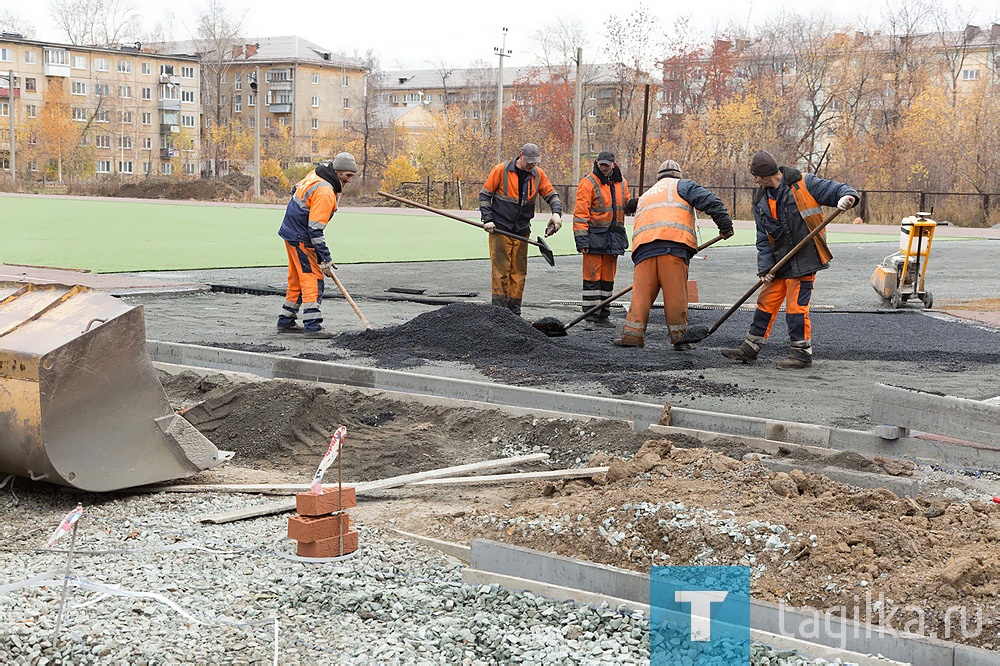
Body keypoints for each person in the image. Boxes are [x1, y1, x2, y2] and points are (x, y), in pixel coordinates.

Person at [722, 150, 858, 369]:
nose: (755, 180)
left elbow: (841, 190)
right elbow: (762, 238)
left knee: (796, 307)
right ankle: (750, 348)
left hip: (805, 257)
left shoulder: (804, 183)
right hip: (779, 260)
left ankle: (801, 354)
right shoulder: (760, 200)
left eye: (757, 175)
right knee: (766, 301)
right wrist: (765, 269)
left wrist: (847, 198)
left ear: (766, 174)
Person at [613, 160, 734, 350]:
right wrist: (725, 226)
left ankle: (632, 337)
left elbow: (629, 206)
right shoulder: (683, 186)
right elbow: (712, 202)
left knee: (641, 296)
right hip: (673, 247)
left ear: (659, 177)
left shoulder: (647, 195)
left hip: (643, 249)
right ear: (679, 175)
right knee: (675, 296)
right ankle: (680, 339)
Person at [276, 152, 358, 339]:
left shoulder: (316, 175)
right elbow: (315, 230)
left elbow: (295, 189)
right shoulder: (325, 191)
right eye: (348, 175)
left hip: (291, 232)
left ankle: (286, 320)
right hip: (301, 236)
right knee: (313, 278)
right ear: (337, 171)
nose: (350, 180)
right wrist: (326, 259)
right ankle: (313, 325)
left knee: (297, 279)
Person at [479, 142, 563, 316]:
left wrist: (556, 214)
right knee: (501, 271)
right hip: (500, 229)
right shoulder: (500, 171)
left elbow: (552, 195)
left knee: (518, 272)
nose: (532, 165)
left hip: (522, 230)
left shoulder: (538, 175)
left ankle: (514, 312)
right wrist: (487, 219)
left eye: (535, 162)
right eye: (529, 161)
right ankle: (499, 312)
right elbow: (485, 195)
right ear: (520, 155)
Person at [573, 151, 637, 329]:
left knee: (608, 278)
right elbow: (580, 214)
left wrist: (634, 203)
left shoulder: (621, 182)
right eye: (601, 164)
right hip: (594, 237)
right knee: (592, 277)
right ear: (597, 163)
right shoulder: (588, 183)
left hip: (614, 236)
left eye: (606, 165)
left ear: (613, 165)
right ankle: (590, 316)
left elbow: (624, 205)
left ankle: (603, 315)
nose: (603, 167)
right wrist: (582, 241)